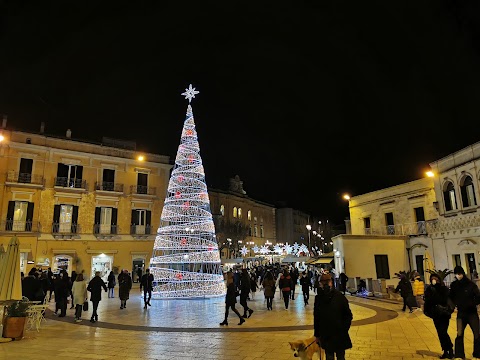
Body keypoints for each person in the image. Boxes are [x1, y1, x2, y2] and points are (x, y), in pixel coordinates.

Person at [314, 273, 353, 360]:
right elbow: (317, 318)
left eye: (327, 281)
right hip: (326, 334)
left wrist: (344, 328)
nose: (325, 284)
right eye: (323, 282)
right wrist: (317, 334)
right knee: (329, 356)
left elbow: (348, 315)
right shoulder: (319, 298)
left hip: (339, 333)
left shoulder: (339, 297)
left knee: (340, 356)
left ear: (331, 282)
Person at [449, 265, 480, 359]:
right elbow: (451, 297)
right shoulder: (454, 285)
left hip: (472, 312)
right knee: (459, 334)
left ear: (462, 273)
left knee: (477, 334)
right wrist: (452, 306)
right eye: (456, 274)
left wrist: (472, 303)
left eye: (459, 274)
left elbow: (478, 297)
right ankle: (459, 355)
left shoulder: (471, 285)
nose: (458, 276)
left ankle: (478, 354)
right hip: (461, 313)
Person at [424, 273, 454, 359]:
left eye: (435, 279)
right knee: (440, 333)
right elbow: (428, 301)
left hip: (444, 314)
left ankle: (450, 349)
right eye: (432, 279)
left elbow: (443, 299)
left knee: (443, 332)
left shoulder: (443, 289)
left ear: (439, 279)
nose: (434, 280)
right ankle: (445, 351)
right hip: (435, 314)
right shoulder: (429, 289)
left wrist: (435, 292)